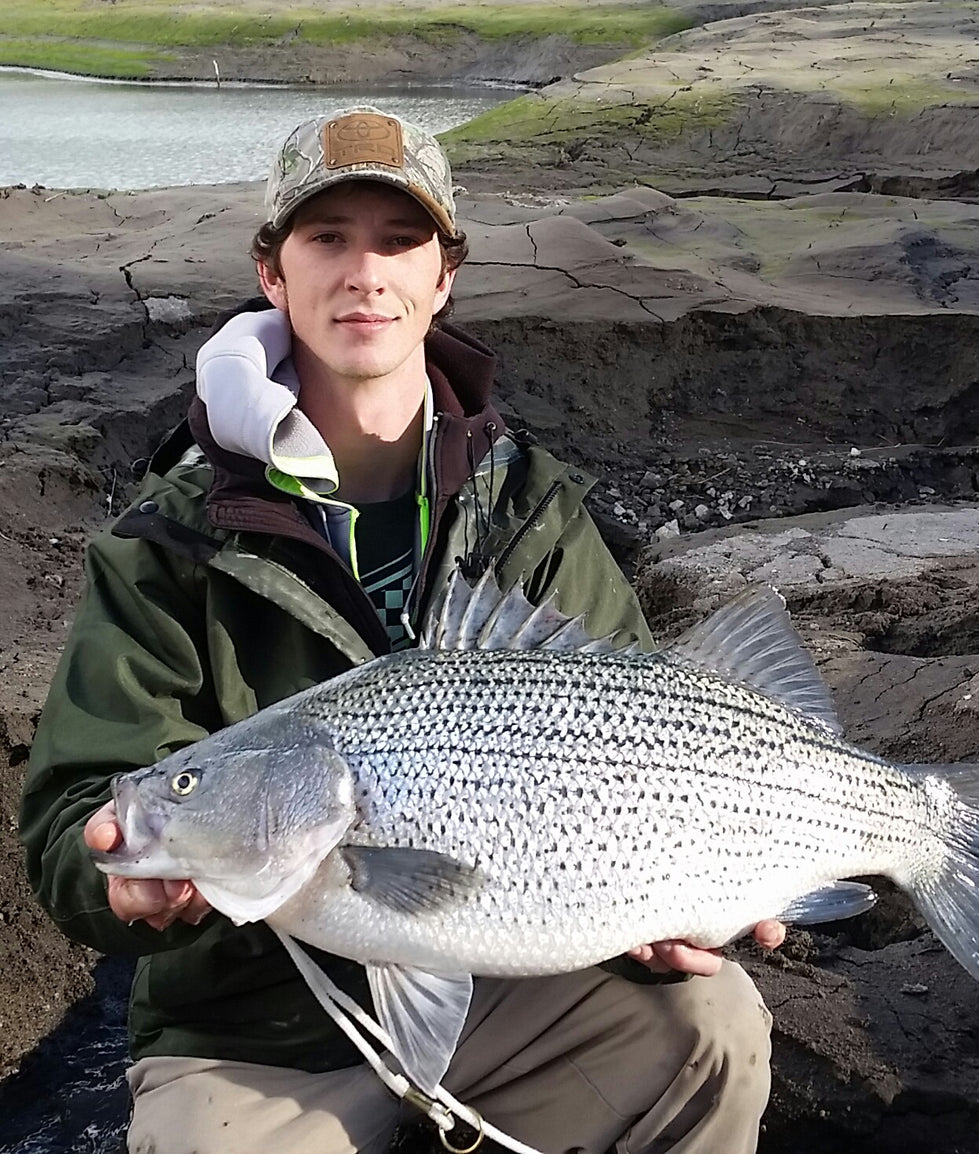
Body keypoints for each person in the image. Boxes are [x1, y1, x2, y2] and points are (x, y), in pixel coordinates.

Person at [21, 106, 778, 1154]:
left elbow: (641, 733)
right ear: (273, 273)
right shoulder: (167, 540)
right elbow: (70, 822)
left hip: (520, 994)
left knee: (712, 1026)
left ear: (443, 275)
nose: (363, 272)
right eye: (326, 238)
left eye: (397, 239)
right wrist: (120, 870)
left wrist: (668, 909)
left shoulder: (534, 513)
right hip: (255, 1037)